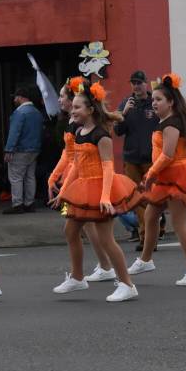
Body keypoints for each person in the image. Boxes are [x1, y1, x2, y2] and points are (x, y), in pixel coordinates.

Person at [51, 77, 142, 302]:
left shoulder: (101, 135)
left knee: (106, 240)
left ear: (91, 109)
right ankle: (78, 278)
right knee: (70, 231)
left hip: (102, 190)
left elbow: (108, 168)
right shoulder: (80, 132)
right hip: (83, 188)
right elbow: (76, 166)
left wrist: (104, 197)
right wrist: (63, 192)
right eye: (72, 107)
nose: (72, 110)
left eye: (77, 107)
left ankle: (127, 284)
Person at [129, 73, 186, 286]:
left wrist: (150, 175)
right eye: (153, 99)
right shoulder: (165, 121)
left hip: (176, 176)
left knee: (179, 224)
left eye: (159, 100)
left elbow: (167, 155)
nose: (154, 103)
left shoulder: (171, 124)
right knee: (150, 214)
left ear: (171, 102)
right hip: (166, 175)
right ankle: (146, 260)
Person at [47, 78, 118, 284]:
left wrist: (58, 179)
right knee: (81, 226)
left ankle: (106, 267)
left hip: (83, 180)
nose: (60, 99)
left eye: (63, 96)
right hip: (75, 178)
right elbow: (69, 155)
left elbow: (75, 158)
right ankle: (100, 267)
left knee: (88, 225)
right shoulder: (73, 125)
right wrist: (55, 177)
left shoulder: (83, 128)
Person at [115, 70, 162, 248]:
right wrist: (124, 113)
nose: (136, 86)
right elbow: (118, 131)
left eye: (139, 82)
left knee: (153, 198)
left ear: (145, 83)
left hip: (152, 159)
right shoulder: (126, 103)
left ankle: (156, 227)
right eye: (133, 83)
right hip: (132, 158)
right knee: (137, 199)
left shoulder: (154, 102)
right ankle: (146, 238)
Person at [3, 86, 44, 214]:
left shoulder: (19, 113)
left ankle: (17, 204)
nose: (14, 99)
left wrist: (9, 149)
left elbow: (14, 132)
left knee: (16, 177)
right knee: (30, 176)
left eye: (15, 97)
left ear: (20, 97)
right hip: (34, 149)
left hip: (20, 150)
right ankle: (29, 203)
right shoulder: (37, 112)